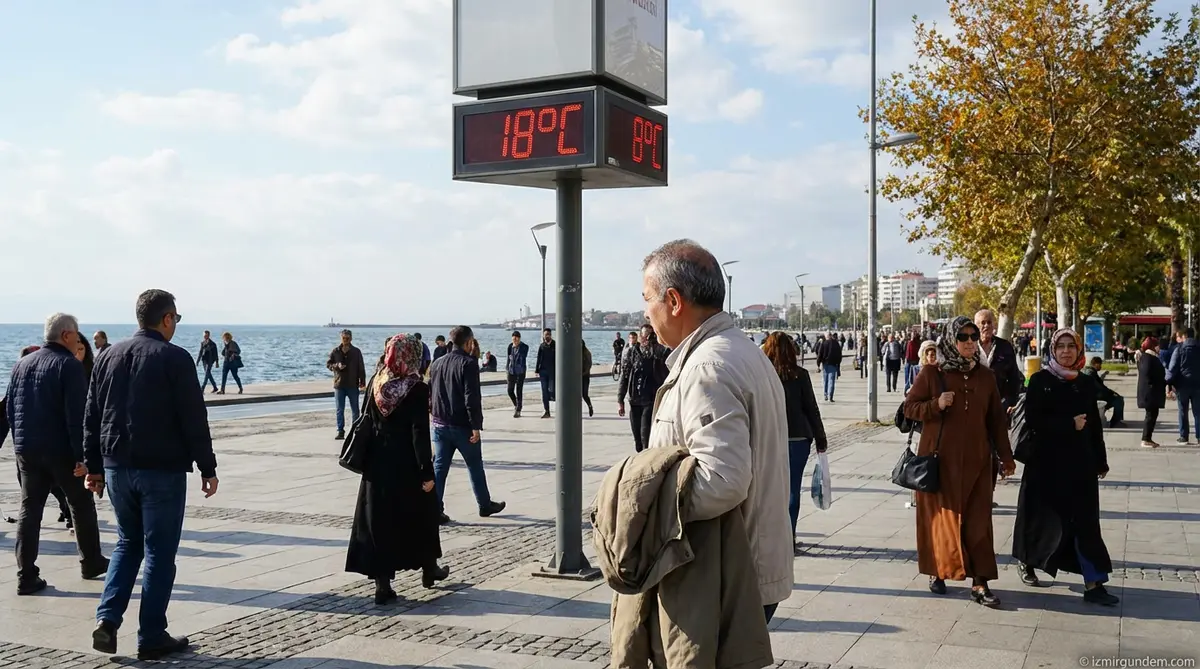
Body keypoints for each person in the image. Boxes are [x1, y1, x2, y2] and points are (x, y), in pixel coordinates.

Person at [639, 240, 791, 623]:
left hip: (723, 576)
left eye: (647, 300)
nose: (645, 314)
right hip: (746, 564)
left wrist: (646, 505)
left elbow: (723, 480)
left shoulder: (708, 368)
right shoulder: (742, 351)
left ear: (673, 301)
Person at [86, 289, 219, 660]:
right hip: (161, 468)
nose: (175, 324)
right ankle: (152, 635)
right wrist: (207, 467)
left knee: (127, 543)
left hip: (116, 467)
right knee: (160, 551)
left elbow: (92, 415)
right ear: (166, 319)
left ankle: (108, 620)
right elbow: (194, 418)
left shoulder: (107, 356)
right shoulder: (174, 358)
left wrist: (94, 466)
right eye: (175, 318)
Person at [904, 316, 1015, 607]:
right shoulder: (932, 373)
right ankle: (939, 571)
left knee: (979, 522)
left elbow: (996, 421)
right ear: (951, 339)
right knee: (942, 521)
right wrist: (935, 405)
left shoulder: (986, 376)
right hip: (940, 462)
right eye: (963, 337)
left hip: (978, 462)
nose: (968, 342)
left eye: (973, 336)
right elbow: (909, 409)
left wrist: (1006, 457)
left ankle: (980, 583)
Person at [4, 313, 108, 596]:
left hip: (27, 449)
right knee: (81, 503)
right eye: (76, 334)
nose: (78, 340)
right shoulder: (68, 365)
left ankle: (26, 574)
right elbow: (78, 416)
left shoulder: (22, 363)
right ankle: (91, 561)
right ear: (65, 335)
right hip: (60, 451)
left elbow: (11, 409)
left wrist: (19, 444)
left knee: (30, 510)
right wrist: (83, 457)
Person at [1013, 329, 1119, 606]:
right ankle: (1028, 561)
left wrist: (1100, 459)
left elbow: (1094, 425)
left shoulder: (1084, 383)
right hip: (1045, 465)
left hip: (1080, 464)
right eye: (1061, 346)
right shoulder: (1039, 380)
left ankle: (1094, 583)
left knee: (1085, 523)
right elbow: (1033, 421)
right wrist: (1067, 424)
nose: (1066, 351)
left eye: (1071, 346)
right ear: (1053, 349)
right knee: (1040, 520)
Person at [346, 334, 449, 603]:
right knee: (422, 515)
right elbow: (419, 433)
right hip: (406, 465)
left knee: (380, 522)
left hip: (377, 465)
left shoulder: (377, 381)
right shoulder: (415, 388)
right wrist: (427, 471)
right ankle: (429, 568)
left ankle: (383, 586)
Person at [429, 326, 506, 524]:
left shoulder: (437, 363)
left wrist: (433, 414)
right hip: (462, 425)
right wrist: (475, 425)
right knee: (474, 465)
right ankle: (484, 504)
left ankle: (434, 508)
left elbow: (431, 392)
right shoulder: (468, 363)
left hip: (439, 424)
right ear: (468, 341)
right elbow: (471, 397)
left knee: (439, 467)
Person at [762, 332, 827, 550]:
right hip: (799, 437)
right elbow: (811, 408)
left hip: (771, 437)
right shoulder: (800, 375)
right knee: (792, 489)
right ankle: (788, 537)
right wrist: (820, 437)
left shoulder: (763, 375)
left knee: (770, 489)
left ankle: (771, 537)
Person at [617, 325, 667, 452]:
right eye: (644, 335)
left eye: (649, 335)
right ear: (640, 336)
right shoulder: (632, 352)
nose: (646, 339)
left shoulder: (660, 352)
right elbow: (625, 375)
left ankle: (645, 463)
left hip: (650, 399)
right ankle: (641, 456)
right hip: (634, 399)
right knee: (637, 441)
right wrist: (620, 399)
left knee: (646, 437)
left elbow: (667, 374)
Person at [327, 329, 367, 440]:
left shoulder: (356, 352)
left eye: (347, 338)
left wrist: (362, 382)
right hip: (339, 384)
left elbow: (361, 367)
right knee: (340, 409)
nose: (345, 340)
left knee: (355, 409)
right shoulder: (335, 351)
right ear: (341, 338)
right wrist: (336, 366)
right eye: (344, 338)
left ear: (351, 338)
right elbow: (329, 364)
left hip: (352, 384)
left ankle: (355, 430)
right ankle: (340, 431)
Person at [1138, 337, 1167, 448]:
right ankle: (1145, 439)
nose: (1159, 347)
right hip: (1150, 392)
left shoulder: (1148, 357)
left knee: (1152, 415)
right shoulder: (1148, 358)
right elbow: (1148, 375)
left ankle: (1148, 438)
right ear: (1152, 346)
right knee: (1150, 415)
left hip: (1151, 392)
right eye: (1157, 345)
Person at [1081, 357, 1125, 428]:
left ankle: (1116, 421)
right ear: (1095, 364)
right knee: (1119, 400)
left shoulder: (1089, 371)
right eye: (1100, 364)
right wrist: (1112, 393)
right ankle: (1115, 422)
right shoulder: (1091, 373)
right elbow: (1100, 388)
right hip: (1095, 397)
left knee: (1118, 398)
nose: (1101, 367)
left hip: (1094, 396)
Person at [505, 331, 529, 418]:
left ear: (519, 338)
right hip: (511, 371)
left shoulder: (524, 347)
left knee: (519, 391)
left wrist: (517, 347)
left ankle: (518, 410)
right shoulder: (509, 346)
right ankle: (517, 405)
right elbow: (508, 358)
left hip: (520, 372)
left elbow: (523, 356)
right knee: (510, 390)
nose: (515, 340)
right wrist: (507, 368)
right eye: (513, 338)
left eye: (516, 338)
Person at [815, 329, 843, 402]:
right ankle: (830, 396)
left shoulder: (824, 343)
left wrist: (818, 363)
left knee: (825, 380)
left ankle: (825, 394)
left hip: (825, 364)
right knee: (831, 381)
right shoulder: (836, 344)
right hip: (833, 364)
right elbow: (839, 355)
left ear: (826, 336)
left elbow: (820, 354)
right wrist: (838, 362)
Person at [535, 328, 556, 419]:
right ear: (543, 336)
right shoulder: (542, 346)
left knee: (552, 391)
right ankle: (546, 411)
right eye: (545, 334)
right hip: (543, 371)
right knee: (544, 391)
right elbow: (538, 358)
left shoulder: (555, 345)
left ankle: (559, 408)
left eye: (548, 334)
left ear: (551, 335)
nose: (546, 336)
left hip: (553, 371)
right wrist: (536, 370)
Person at [581, 340, 595, 417]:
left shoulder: (587, 353)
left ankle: (590, 406)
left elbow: (589, 366)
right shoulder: (576, 353)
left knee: (584, 394)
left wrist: (583, 373)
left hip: (585, 376)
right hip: (577, 376)